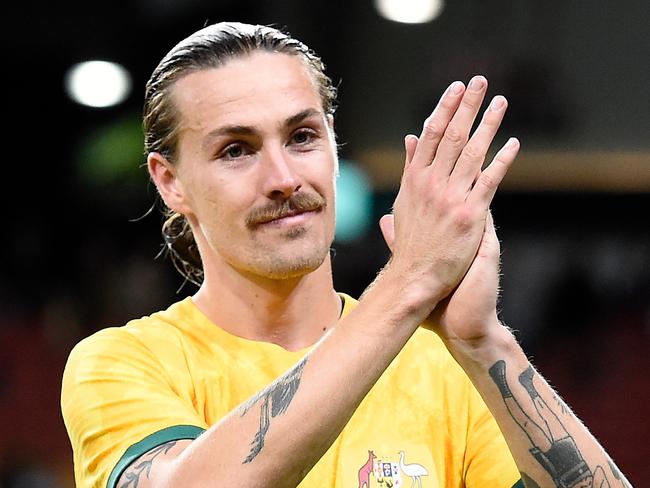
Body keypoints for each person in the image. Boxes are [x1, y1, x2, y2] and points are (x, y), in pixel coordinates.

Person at [61, 22, 631, 488]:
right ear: (170, 182)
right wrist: (409, 281)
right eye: (237, 150)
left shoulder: (442, 372)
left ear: (333, 143)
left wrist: (484, 343)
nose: (283, 178)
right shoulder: (121, 364)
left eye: (303, 137)